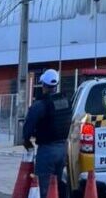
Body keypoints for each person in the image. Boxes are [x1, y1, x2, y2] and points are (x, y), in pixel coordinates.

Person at [23, 69, 71, 198]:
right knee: (56, 186)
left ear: (43, 86)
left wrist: (27, 142)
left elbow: (27, 128)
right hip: (62, 150)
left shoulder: (39, 105)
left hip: (47, 151)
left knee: (43, 188)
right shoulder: (65, 102)